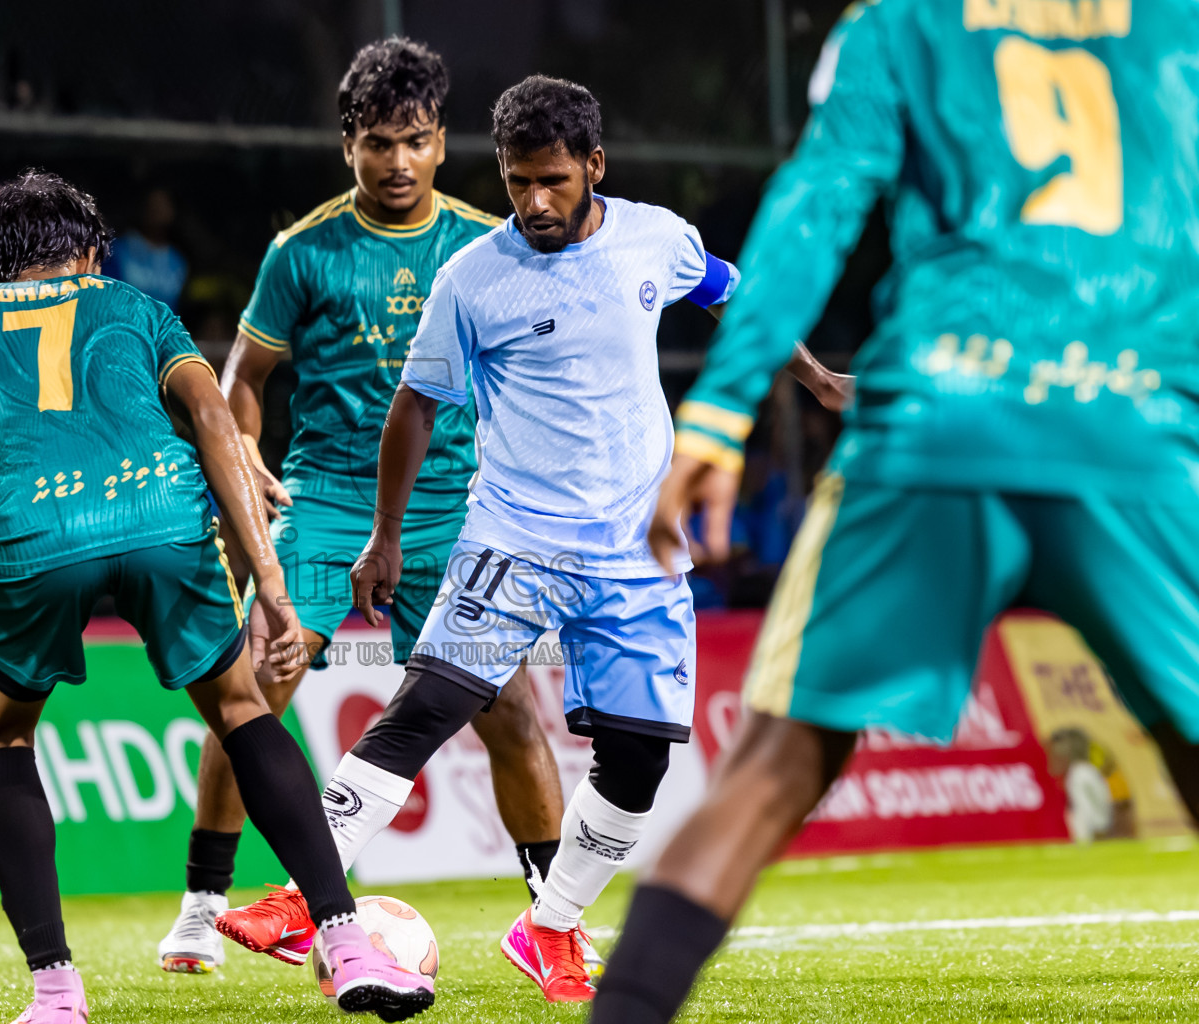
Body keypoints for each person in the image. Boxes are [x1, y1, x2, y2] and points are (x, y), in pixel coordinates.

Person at [593, 3, 1199, 1022]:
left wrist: (717, 414)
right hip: (1130, 423)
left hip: (938, 417)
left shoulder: (898, 22)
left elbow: (823, 199)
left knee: (777, 765)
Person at [219, 76, 847, 1003]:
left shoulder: (656, 238)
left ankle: (547, 926)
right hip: (514, 537)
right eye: (517, 182)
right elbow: (414, 407)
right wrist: (385, 537)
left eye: (552, 180)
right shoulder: (474, 277)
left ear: (594, 166)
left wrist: (820, 381)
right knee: (428, 704)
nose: (535, 202)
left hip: (639, 549)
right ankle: (302, 898)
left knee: (639, 762)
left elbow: (735, 300)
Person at [0, 170, 433, 1023]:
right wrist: (270, 582)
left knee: (2, 740)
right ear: (85, 253)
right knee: (239, 709)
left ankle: (55, 993)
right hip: (162, 509)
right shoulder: (136, 308)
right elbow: (215, 423)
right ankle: (344, 940)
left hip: (31, 533)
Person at [156, 38, 570, 978]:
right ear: (349, 143)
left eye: (416, 142)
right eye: (379, 143)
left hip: (454, 511)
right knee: (254, 691)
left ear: (441, 141)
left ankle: (552, 924)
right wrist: (248, 447)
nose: (397, 163)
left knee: (505, 710)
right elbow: (245, 376)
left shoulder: (487, 242)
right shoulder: (301, 253)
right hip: (330, 500)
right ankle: (202, 906)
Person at [102, 188, 188, 310]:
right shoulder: (118, 250)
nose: (157, 211)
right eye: (152, 205)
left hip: (162, 328)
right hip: (123, 325)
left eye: (163, 205)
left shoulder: (178, 261)